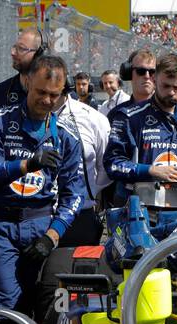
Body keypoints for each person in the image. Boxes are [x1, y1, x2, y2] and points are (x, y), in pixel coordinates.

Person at [0, 55, 86, 315]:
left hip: (42, 224)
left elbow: (74, 195)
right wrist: (24, 165)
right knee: (5, 304)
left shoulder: (66, 137)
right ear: (27, 81)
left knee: (44, 304)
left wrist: (53, 234)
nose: (47, 101)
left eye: (54, 95)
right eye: (41, 92)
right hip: (1, 225)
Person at [105, 53, 177, 204]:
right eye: (166, 86)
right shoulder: (128, 117)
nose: (171, 92)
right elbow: (112, 164)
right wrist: (151, 171)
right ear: (154, 80)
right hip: (139, 212)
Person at [53, 74, 112, 245]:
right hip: (37, 215)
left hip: (80, 214)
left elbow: (105, 167)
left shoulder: (94, 118)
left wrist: (88, 192)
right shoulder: (26, 115)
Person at [0, 26, 44, 111]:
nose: (13, 53)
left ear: (39, 54)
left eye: (21, 48)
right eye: (15, 47)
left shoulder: (52, 93)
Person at [101, 50, 157, 119]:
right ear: (129, 73)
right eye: (141, 71)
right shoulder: (117, 115)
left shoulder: (169, 111)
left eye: (152, 72)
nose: (147, 76)